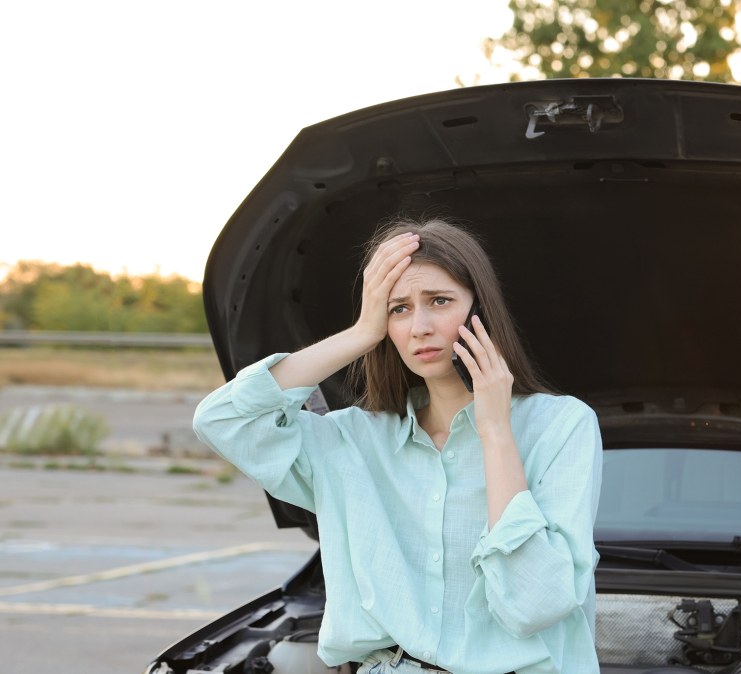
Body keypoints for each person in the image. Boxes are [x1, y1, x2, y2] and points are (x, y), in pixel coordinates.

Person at [193, 217, 604, 674]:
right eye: (399, 308)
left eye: (440, 301)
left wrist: (495, 433)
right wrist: (361, 333)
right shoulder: (352, 438)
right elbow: (222, 419)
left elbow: (534, 606)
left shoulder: (562, 426)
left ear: (481, 310)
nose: (420, 327)